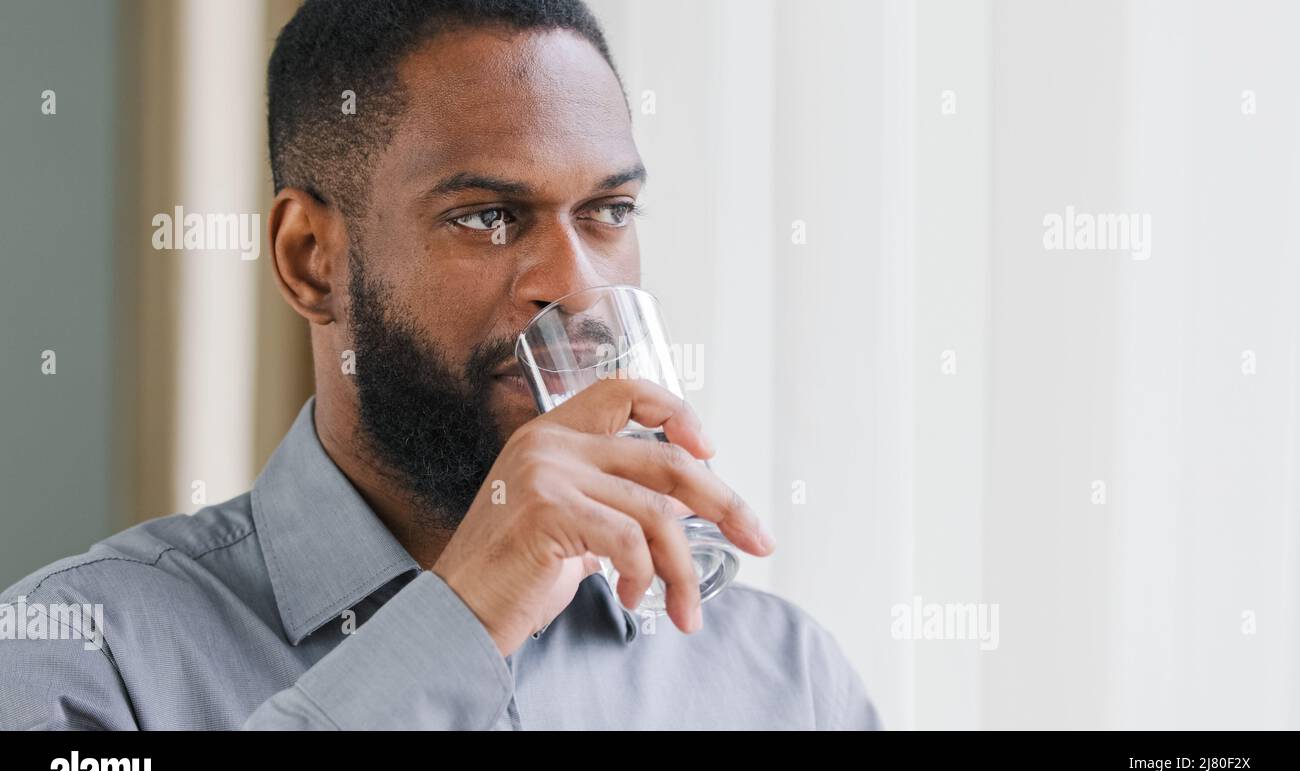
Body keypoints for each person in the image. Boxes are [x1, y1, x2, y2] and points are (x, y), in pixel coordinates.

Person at [0, 0, 881, 730]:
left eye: (609, 210)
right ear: (312, 258)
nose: (571, 284)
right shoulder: (76, 656)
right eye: (488, 217)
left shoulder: (786, 681)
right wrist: (456, 621)